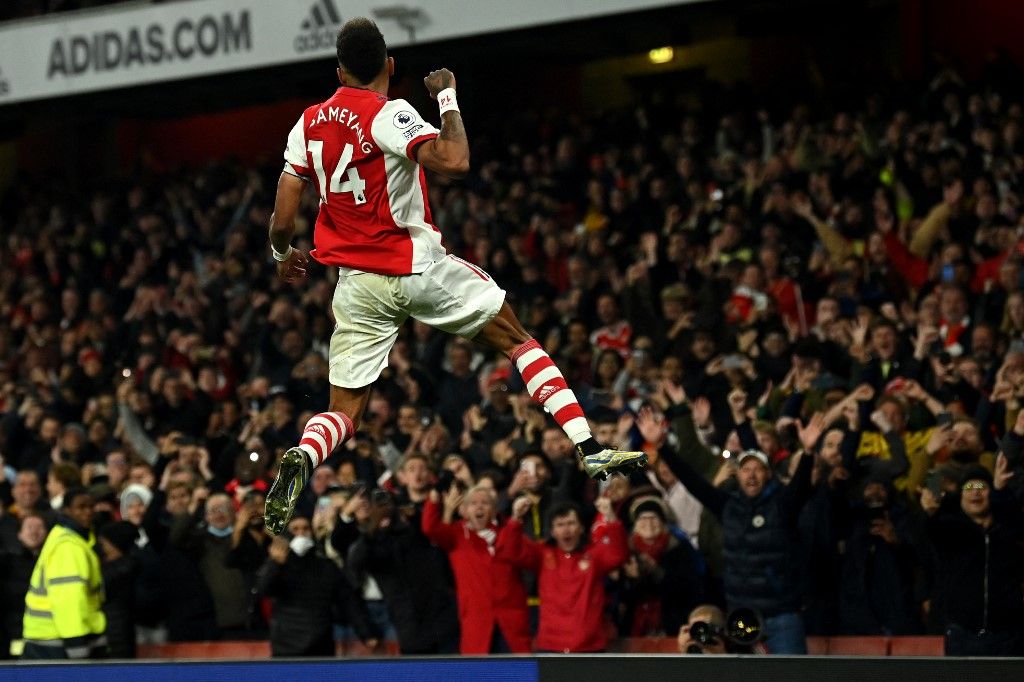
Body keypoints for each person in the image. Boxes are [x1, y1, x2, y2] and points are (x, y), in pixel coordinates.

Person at [263, 17, 645, 535]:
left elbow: (284, 217)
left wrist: (281, 253)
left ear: (338, 69)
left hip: (356, 284)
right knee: (516, 339)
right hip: (414, 265)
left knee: (345, 409)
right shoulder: (388, 112)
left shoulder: (307, 123)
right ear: (390, 66)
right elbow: (456, 159)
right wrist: (446, 98)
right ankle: (589, 446)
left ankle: (305, 457)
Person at [496, 497, 627, 653]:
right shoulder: (542, 554)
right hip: (550, 645)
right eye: (560, 525)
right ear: (552, 531)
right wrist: (516, 518)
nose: (566, 530)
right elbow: (510, 551)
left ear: (581, 528)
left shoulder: (594, 556)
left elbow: (618, 555)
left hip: (588, 646)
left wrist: (611, 519)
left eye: (571, 523)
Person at [421, 484, 531, 653]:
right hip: (477, 625)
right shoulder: (456, 535)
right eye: (473, 503)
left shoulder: (509, 532)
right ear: (464, 511)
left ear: (494, 510)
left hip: (511, 624)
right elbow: (430, 527)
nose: (479, 506)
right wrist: (434, 497)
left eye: (485, 503)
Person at [21, 488, 107, 660]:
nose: (88, 512)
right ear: (67, 510)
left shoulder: (75, 540)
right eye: (81, 507)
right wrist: (77, 646)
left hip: (52, 640)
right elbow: (68, 600)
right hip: (57, 644)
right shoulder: (68, 547)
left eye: (91, 506)